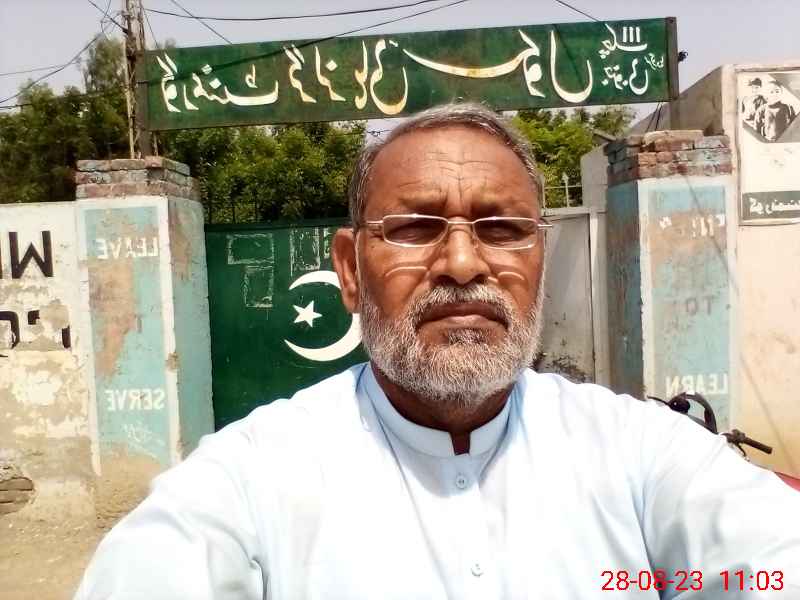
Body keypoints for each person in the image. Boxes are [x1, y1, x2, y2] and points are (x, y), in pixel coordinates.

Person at [75, 103, 800, 599]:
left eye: (502, 229)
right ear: (351, 271)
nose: (461, 263)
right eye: (416, 228)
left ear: (539, 260)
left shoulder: (640, 453)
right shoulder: (252, 477)